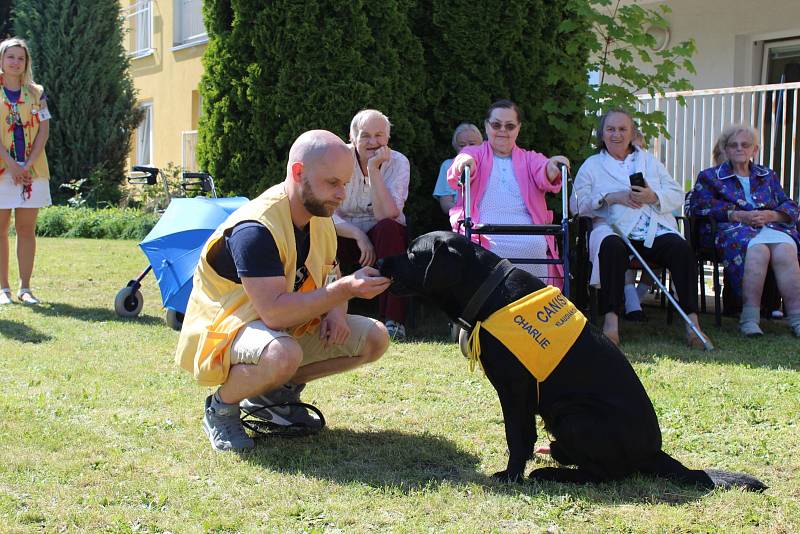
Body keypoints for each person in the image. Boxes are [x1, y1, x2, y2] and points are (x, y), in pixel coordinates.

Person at [175, 130, 392, 452]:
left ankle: (273, 396)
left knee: (375, 337)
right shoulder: (256, 229)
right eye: (332, 183)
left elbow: (330, 274)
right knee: (282, 353)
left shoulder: (319, 216)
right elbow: (275, 313)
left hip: (277, 326)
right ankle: (220, 408)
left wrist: (336, 310)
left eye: (345, 183)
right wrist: (344, 292)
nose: (341, 194)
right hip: (226, 329)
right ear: (298, 173)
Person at [572, 108, 708, 347]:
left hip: (651, 229)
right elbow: (576, 205)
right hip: (613, 228)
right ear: (602, 134)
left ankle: (692, 324)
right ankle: (611, 323)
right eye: (611, 129)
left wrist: (652, 196)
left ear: (632, 132)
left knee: (681, 249)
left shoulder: (649, 161)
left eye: (622, 129)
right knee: (611, 248)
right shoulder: (592, 165)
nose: (616, 134)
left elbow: (676, 193)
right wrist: (608, 197)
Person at [688, 124, 800, 337]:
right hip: (732, 228)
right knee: (758, 249)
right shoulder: (710, 177)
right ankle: (749, 318)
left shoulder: (767, 175)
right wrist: (736, 214)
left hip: (770, 225)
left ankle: (796, 318)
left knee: (786, 249)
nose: (739, 149)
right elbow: (698, 205)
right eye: (733, 145)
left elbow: (789, 204)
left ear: (754, 150)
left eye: (745, 145)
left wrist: (773, 215)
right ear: (726, 150)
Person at [447, 99, 570, 285]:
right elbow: (464, 160)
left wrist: (554, 165)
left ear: (518, 128)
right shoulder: (475, 153)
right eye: (496, 125)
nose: (503, 130)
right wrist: (465, 164)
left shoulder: (530, 159)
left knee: (535, 245)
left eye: (510, 126)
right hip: (484, 230)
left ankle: (533, 304)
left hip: (527, 233)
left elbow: (545, 170)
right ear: (487, 126)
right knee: (482, 248)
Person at [333, 109, 410, 340]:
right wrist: (358, 234)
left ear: (387, 138)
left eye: (379, 135)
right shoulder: (337, 159)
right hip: (344, 233)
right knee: (320, 233)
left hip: (383, 235)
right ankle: (326, 312)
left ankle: (393, 320)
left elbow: (387, 214)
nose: (373, 142)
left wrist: (374, 169)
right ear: (352, 137)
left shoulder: (398, 162)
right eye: (365, 135)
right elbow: (325, 213)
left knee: (389, 228)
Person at [0, 37, 51, 305]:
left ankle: (25, 288)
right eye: (11, 57)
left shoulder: (37, 92)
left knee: (26, 228)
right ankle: (3, 289)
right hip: (2, 168)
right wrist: (10, 164)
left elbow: (44, 129)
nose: (16, 62)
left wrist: (26, 165)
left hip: (33, 171)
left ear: (26, 62)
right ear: (1, 60)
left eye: (21, 58)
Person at [432, 123, 482, 214]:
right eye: (462, 145)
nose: (467, 148)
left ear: (481, 146)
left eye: (472, 144)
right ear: (455, 147)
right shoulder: (448, 166)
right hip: (462, 219)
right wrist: (466, 214)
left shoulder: (489, 164)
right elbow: (446, 203)